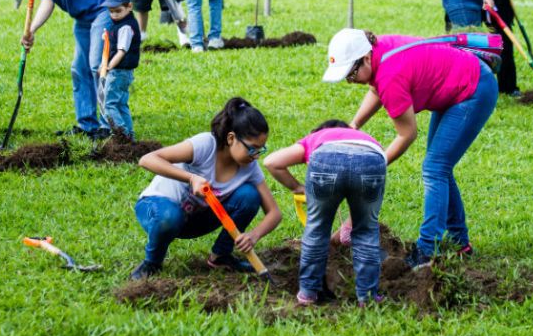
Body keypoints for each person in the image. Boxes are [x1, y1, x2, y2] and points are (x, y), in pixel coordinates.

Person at [322, 28, 499, 270]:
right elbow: (375, 88)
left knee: (435, 168)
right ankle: (460, 243)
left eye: (351, 74)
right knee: (440, 167)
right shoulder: (377, 51)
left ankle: (426, 250)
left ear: (365, 58)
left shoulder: (389, 75)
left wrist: (374, 165)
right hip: (458, 83)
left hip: (473, 89)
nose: (351, 81)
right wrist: (354, 125)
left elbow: (407, 134)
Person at [131, 97, 282, 280]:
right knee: (170, 217)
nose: (256, 155)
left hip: (195, 220)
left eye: (261, 149)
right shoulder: (206, 145)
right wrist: (191, 178)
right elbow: (147, 159)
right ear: (231, 138)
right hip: (158, 211)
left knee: (249, 196)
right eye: (252, 149)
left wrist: (254, 235)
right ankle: (152, 263)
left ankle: (221, 256)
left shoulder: (249, 167)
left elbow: (274, 213)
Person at [8, 0, 124, 140]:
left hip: (107, 7)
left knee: (96, 64)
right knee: (79, 69)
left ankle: (109, 126)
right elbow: (48, 1)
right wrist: (31, 30)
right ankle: (87, 125)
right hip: (84, 16)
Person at [264, 120, 387, 307]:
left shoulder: (315, 138)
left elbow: (271, 162)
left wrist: (297, 187)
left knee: (317, 228)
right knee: (366, 230)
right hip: (371, 159)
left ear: (320, 131)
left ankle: (307, 293)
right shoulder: (364, 138)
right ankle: (368, 297)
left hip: (326, 160)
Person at [98, 0, 141, 139]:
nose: (114, 15)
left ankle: (121, 134)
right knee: (121, 104)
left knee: (108, 104)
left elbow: (122, 51)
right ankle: (129, 137)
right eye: (111, 11)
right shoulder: (118, 24)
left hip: (119, 72)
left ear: (129, 7)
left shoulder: (126, 27)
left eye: (118, 11)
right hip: (122, 72)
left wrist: (109, 66)